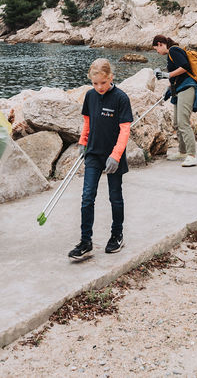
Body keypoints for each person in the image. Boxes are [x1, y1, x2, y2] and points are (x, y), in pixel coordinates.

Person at [68, 58, 132, 262]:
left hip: (113, 155)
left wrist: (115, 155)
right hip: (94, 154)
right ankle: (85, 242)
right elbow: (87, 122)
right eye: (95, 83)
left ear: (110, 77)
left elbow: (124, 130)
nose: (99, 87)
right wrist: (82, 142)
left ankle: (117, 235)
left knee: (115, 197)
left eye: (102, 83)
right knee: (87, 197)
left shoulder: (121, 98)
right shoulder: (90, 96)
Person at [152, 35, 197, 167]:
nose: (157, 52)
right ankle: (182, 152)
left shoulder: (174, 50)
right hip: (179, 89)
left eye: (156, 49)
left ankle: (191, 155)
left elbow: (185, 67)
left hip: (187, 88)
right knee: (176, 123)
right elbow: (179, 76)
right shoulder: (171, 54)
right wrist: (169, 88)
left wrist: (167, 75)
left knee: (183, 122)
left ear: (160, 44)